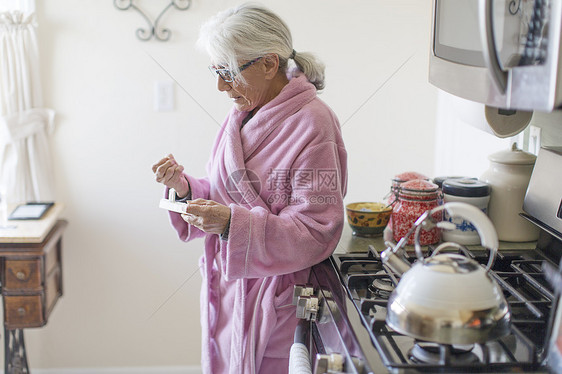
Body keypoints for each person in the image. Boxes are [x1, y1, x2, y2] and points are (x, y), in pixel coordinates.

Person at [152, 3, 347, 373]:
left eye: (227, 72)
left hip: (278, 302)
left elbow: (318, 229)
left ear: (269, 64)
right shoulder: (242, 112)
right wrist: (184, 190)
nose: (220, 86)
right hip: (230, 292)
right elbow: (227, 195)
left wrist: (231, 224)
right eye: (215, 71)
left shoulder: (315, 124)